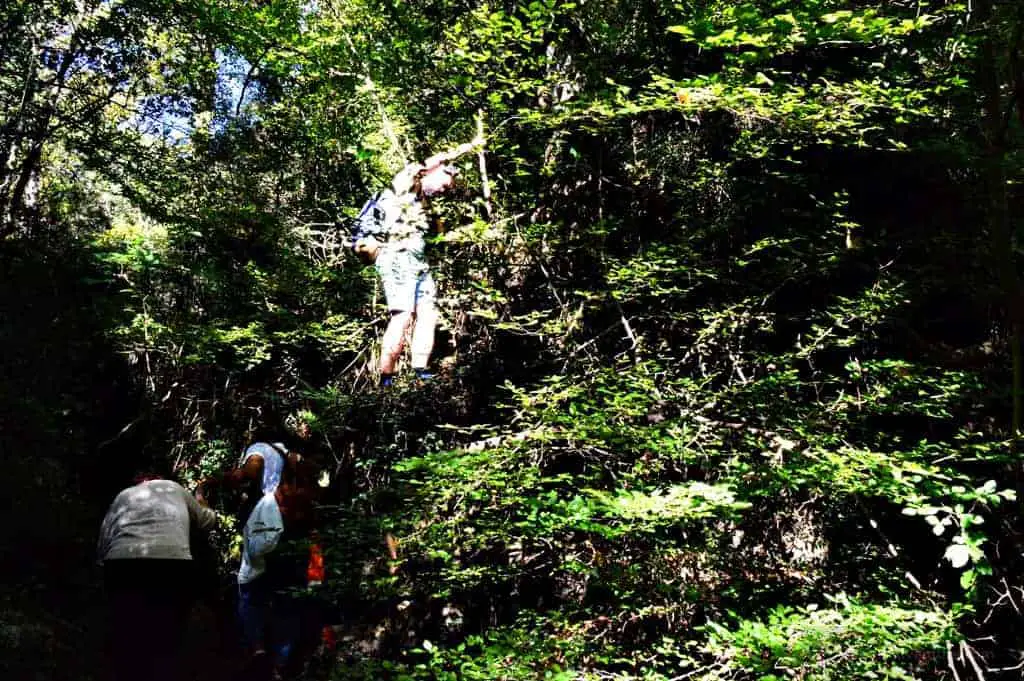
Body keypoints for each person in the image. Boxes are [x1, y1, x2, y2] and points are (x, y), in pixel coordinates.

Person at [351, 135, 485, 385]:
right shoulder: (405, 184)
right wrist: (467, 147)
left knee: (428, 312)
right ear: (433, 173)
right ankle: (387, 377)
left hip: (419, 262)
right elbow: (427, 162)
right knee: (402, 315)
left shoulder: (426, 205)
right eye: (447, 181)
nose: (447, 188)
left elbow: (439, 237)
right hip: (395, 256)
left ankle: (420, 369)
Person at [96, 473, 217, 681]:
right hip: (171, 564)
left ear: (139, 483)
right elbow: (207, 522)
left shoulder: (123, 495)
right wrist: (203, 502)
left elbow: (104, 538)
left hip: (122, 563)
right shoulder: (173, 488)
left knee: (128, 634)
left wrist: (103, 566)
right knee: (166, 636)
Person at [236, 452, 318, 680]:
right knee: (256, 603)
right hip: (267, 565)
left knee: (286, 610)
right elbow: (254, 543)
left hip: (287, 566)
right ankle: (260, 653)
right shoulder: (266, 504)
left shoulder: (302, 504)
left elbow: (312, 538)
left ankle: (277, 663)